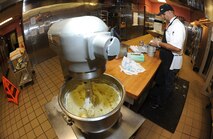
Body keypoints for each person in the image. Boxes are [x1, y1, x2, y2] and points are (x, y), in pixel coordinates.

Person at [149, 4, 186, 109]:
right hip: (166, 59)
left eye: (163, 14)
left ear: (170, 12)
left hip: (172, 62)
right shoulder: (171, 24)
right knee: (161, 80)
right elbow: (169, 40)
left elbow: (177, 48)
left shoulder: (178, 26)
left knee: (167, 84)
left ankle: (160, 103)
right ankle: (157, 96)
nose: (162, 17)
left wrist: (158, 44)